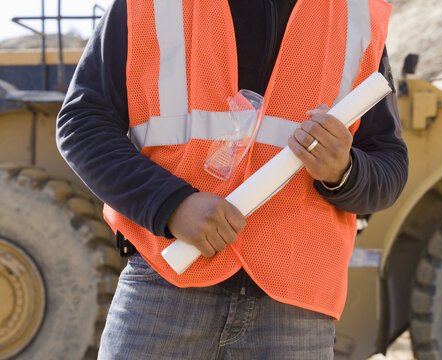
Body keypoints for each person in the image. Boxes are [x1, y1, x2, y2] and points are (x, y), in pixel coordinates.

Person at [57, 0, 408, 358]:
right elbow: (83, 123)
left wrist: (343, 170)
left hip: (293, 304)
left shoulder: (355, 13)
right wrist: (170, 204)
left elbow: (390, 167)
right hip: (166, 280)